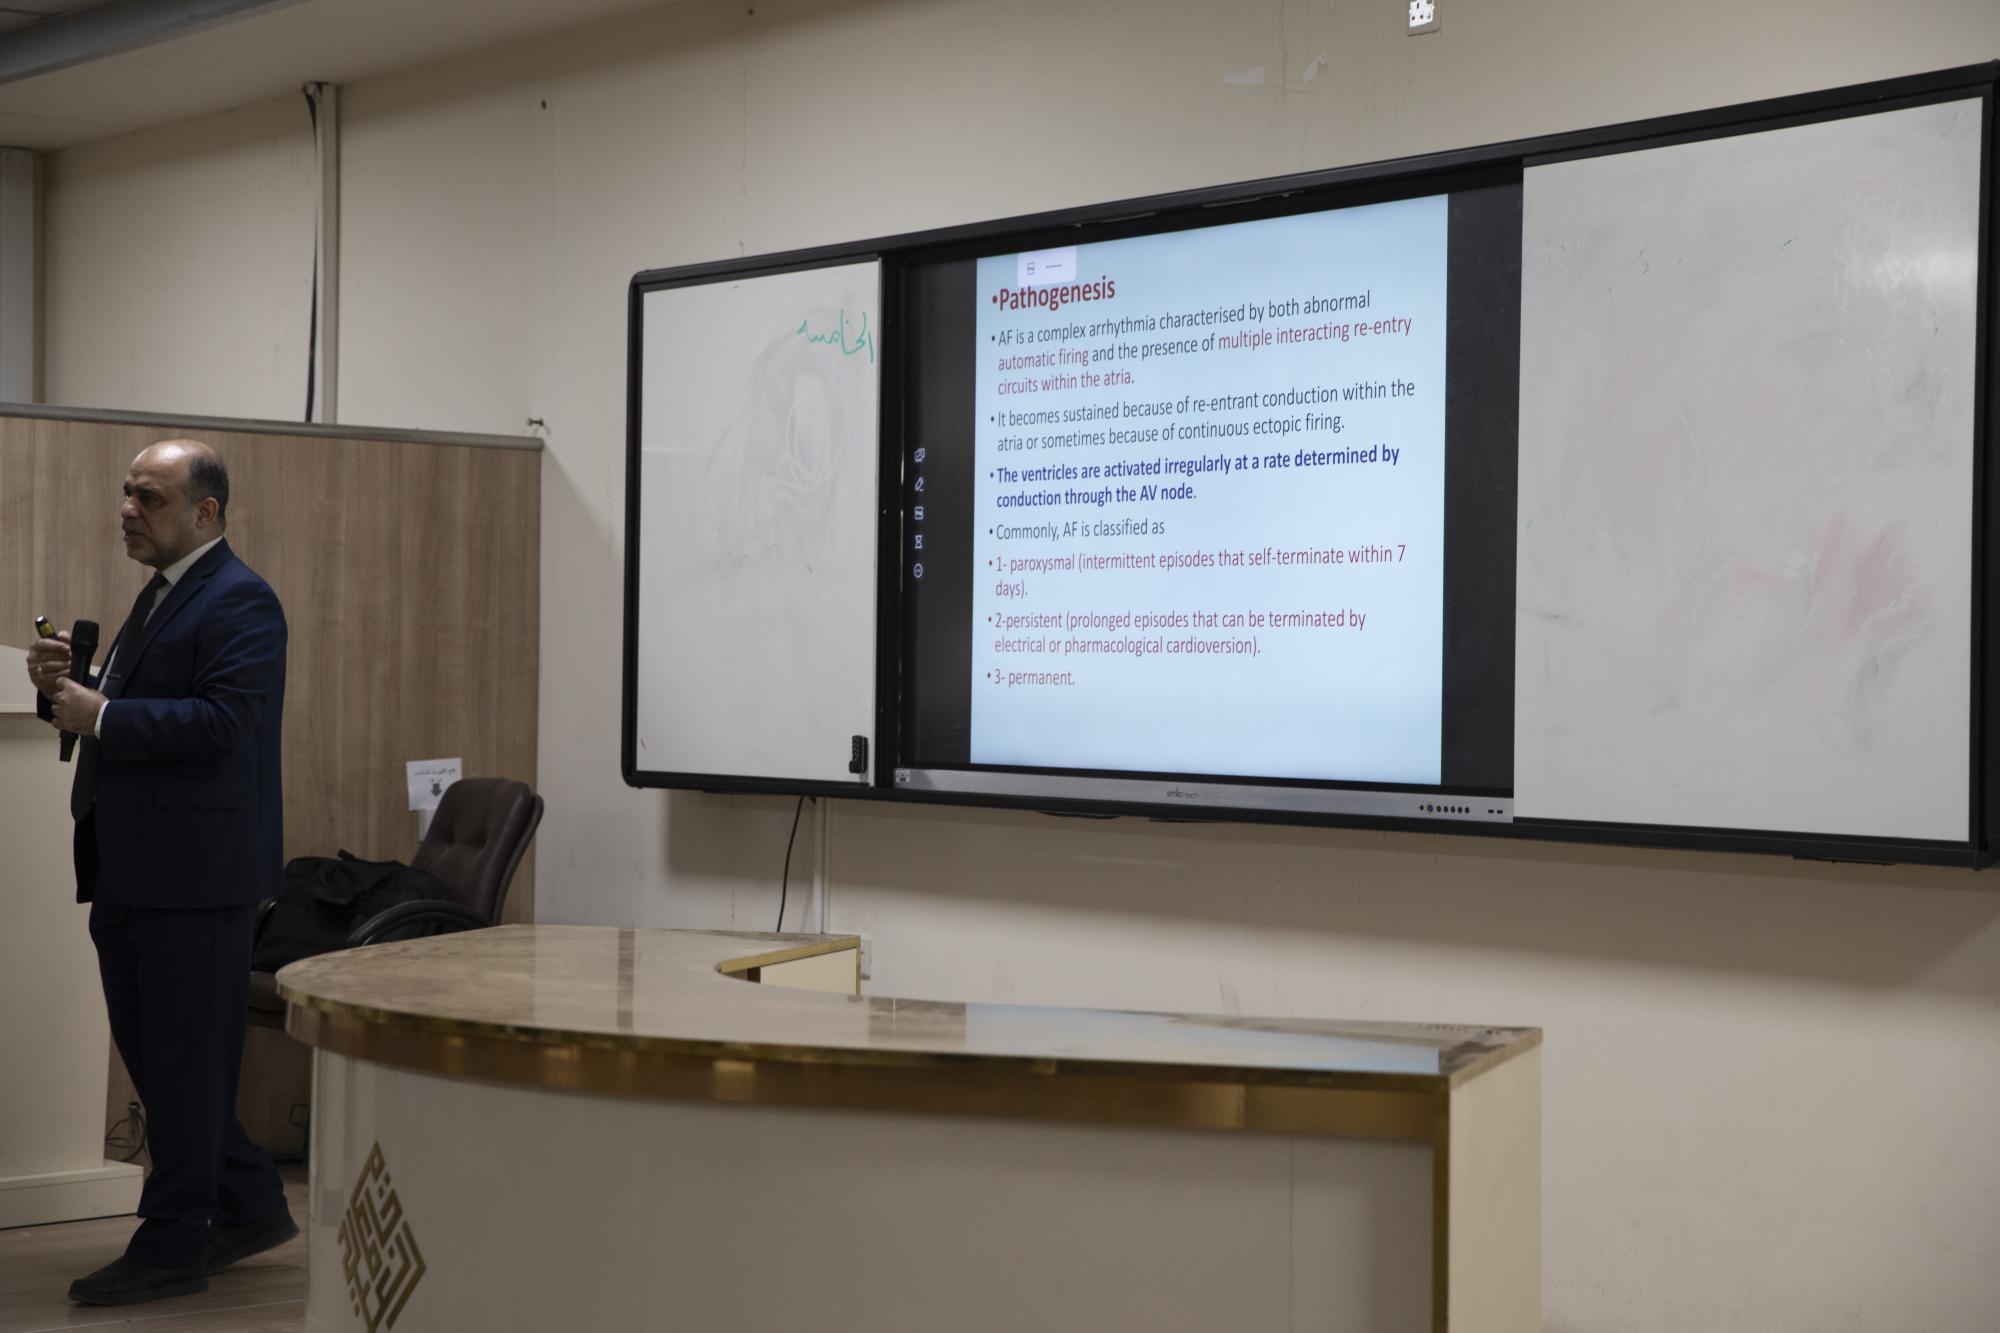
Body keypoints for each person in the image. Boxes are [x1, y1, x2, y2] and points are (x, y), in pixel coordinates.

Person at [25, 439, 297, 1307]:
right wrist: (65, 689)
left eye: (149, 496)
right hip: (133, 866)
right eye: (126, 492)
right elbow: (129, 710)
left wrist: (103, 712)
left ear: (206, 512)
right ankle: (249, 1201)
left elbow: (223, 721)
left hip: (197, 878)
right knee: (162, 1059)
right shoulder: (164, 592)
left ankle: (174, 1241)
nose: (127, 510)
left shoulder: (242, 598)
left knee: (183, 1065)